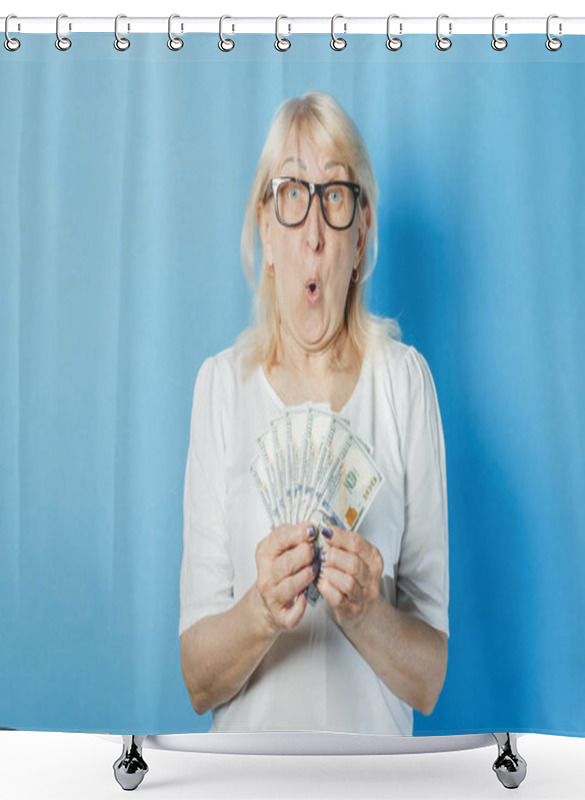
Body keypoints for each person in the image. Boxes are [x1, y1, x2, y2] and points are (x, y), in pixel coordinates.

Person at [178, 90, 449, 735]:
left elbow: (431, 678)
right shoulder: (220, 389)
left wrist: (366, 614)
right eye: (293, 196)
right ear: (265, 232)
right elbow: (196, 679)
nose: (316, 235)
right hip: (249, 782)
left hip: (375, 782)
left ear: (361, 237)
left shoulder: (406, 385)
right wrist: (261, 613)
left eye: (335, 197)